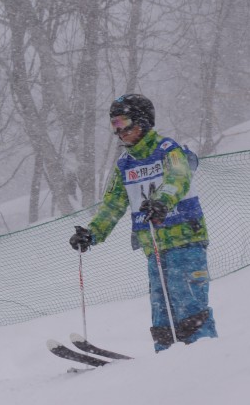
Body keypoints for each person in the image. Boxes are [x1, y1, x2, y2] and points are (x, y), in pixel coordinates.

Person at [70, 94, 218, 352]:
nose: (120, 131)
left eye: (124, 123)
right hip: (155, 248)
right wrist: (91, 233)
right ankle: (165, 362)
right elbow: (113, 205)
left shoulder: (168, 150)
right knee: (162, 314)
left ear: (142, 121)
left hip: (185, 241)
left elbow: (178, 179)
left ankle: (205, 355)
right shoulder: (125, 164)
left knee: (189, 307)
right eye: (114, 125)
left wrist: (162, 200)